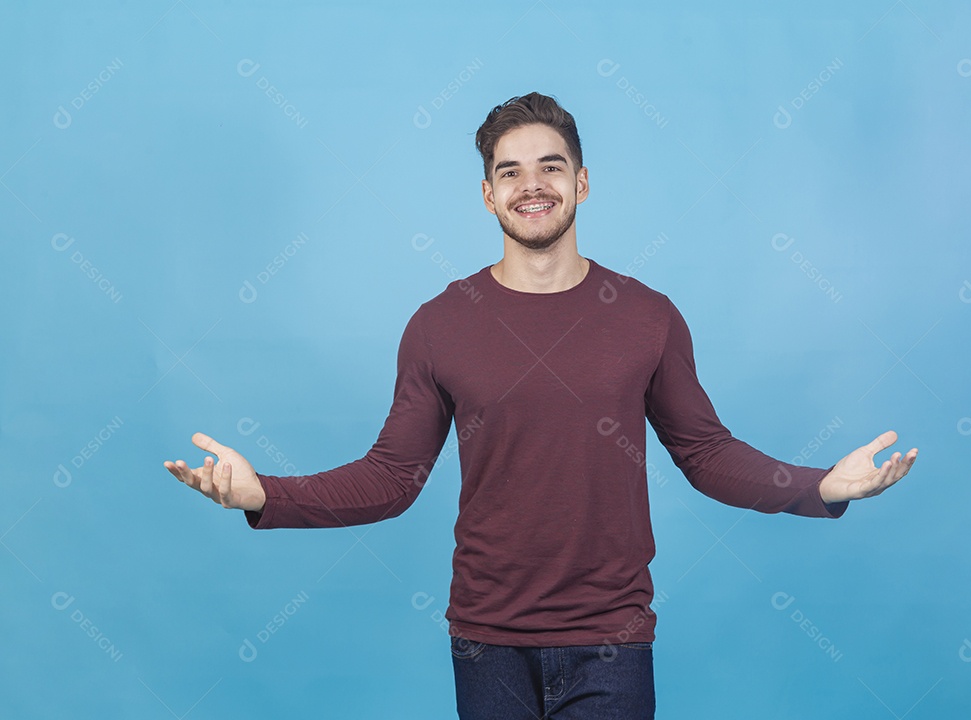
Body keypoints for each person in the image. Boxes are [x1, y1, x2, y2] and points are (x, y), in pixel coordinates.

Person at [164, 92, 918, 719]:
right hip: (485, 644)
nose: (533, 185)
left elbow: (707, 454)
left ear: (583, 183)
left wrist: (819, 485)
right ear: (488, 193)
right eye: (511, 171)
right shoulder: (439, 324)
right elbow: (391, 477)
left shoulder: (647, 315)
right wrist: (265, 494)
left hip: (612, 642)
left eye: (551, 167)